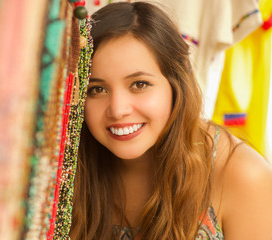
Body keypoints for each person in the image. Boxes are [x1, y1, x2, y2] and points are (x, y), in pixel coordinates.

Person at [70, 2, 272, 239]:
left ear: (176, 86)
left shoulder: (241, 174)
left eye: (139, 85)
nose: (117, 109)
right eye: (97, 89)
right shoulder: (67, 167)